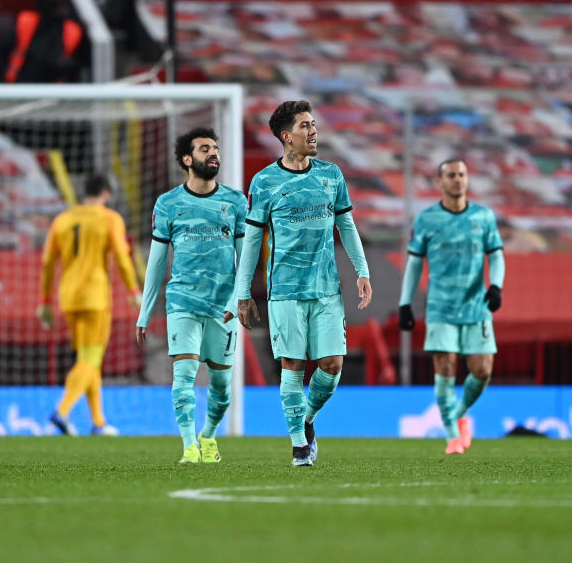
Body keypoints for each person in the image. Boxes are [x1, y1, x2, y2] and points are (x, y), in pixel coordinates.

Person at [234, 100, 371, 467]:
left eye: (313, 124)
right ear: (286, 137)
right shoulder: (264, 182)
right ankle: (298, 447)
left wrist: (362, 270)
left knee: (331, 365)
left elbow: (346, 225)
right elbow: (251, 239)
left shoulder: (331, 175)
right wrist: (243, 291)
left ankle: (306, 419)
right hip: (285, 291)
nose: (313, 131)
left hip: (327, 290)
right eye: (305, 126)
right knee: (292, 366)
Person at [136, 128, 246, 464]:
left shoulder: (235, 202)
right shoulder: (168, 204)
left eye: (215, 148)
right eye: (204, 149)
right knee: (183, 376)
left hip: (222, 307)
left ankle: (208, 435)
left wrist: (236, 301)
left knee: (222, 386)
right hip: (182, 301)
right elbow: (156, 263)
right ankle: (189, 446)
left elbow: (246, 259)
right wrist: (145, 312)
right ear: (187, 159)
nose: (213, 153)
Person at [398, 158, 505, 455]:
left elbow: (496, 255)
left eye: (462, 175)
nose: (457, 180)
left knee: (482, 370)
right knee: (445, 367)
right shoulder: (426, 220)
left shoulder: (483, 217)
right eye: (451, 175)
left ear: (467, 180)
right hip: (440, 307)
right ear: (440, 182)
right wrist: (405, 303)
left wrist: (496, 285)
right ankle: (451, 437)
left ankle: (458, 414)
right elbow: (415, 263)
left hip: (476, 304)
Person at [38, 173, 139, 436]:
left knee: (87, 358)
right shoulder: (109, 219)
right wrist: (133, 289)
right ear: (106, 192)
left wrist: (45, 302)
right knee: (91, 358)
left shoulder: (63, 219)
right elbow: (122, 255)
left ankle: (98, 422)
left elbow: (48, 263)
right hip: (94, 298)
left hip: (68, 297)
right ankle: (61, 413)